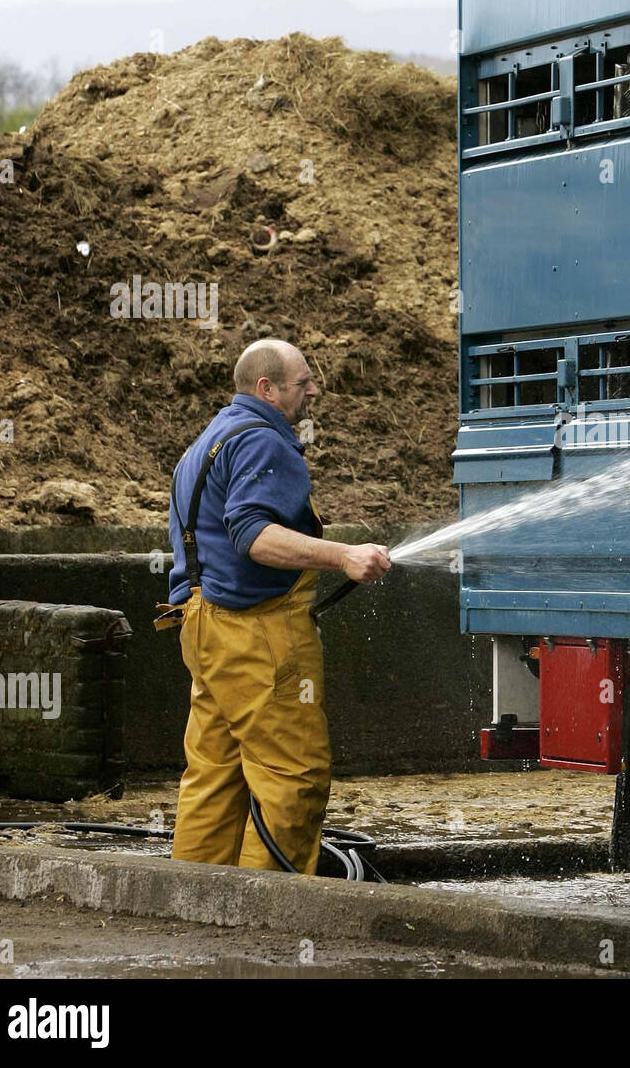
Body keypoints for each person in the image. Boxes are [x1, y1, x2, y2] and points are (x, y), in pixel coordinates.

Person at [159, 338, 390, 873]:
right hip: (256, 634)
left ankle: (192, 903)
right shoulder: (265, 442)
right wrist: (345, 556)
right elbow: (253, 535)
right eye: (301, 381)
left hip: (203, 627)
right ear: (267, 388)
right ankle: (269, 919)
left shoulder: (206, 442)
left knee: (214, 779)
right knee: (294, 776)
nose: (313, 390)